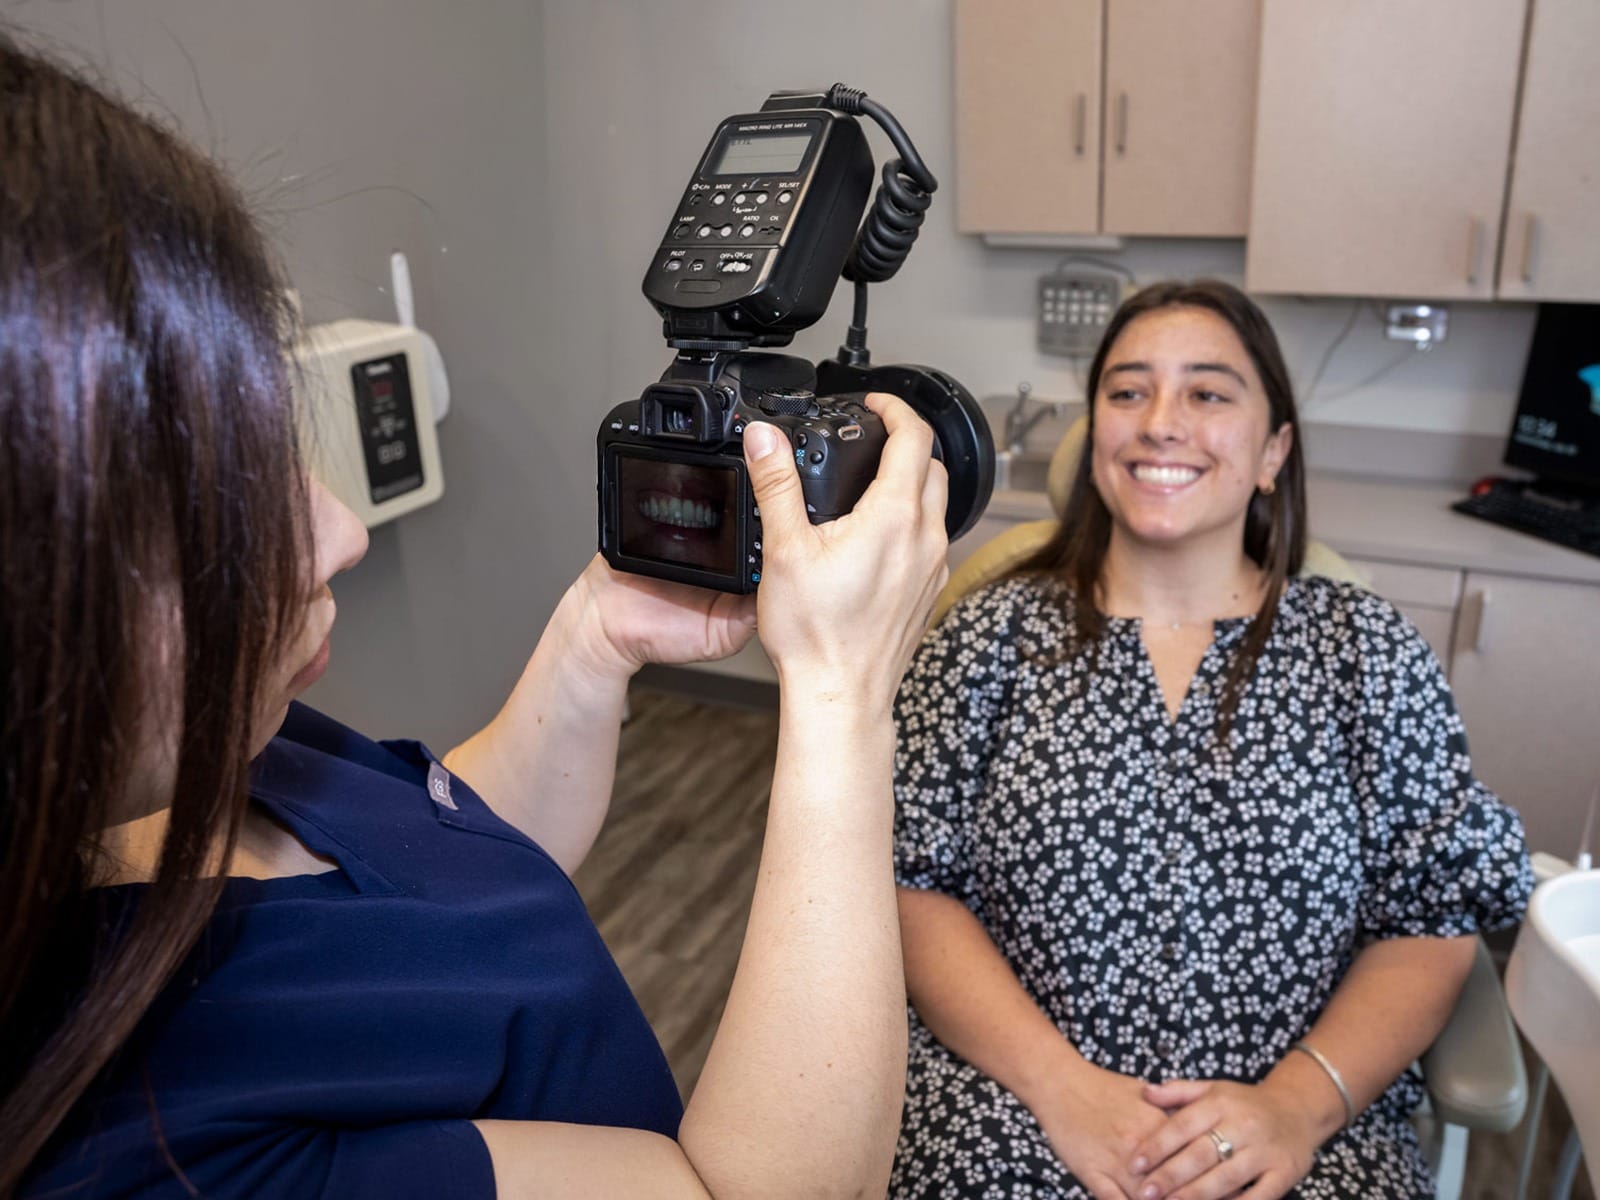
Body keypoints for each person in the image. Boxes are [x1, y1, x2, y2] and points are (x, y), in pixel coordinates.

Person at [0, 36, 952, 1198]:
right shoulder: (146, 1154)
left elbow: (448, 871)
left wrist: (595, 640)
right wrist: (844, 700)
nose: (340, 533)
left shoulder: (211, 744)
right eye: (214, 508)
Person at [889, 280, 1533, 1200]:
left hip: (1301, 1130)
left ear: (1273, 450)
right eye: (1127, 390)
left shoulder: (1365, 654)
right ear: (1097, 432)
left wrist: (1298, 1107)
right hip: (1016, 1101)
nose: (1160, 422)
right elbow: (911, 883)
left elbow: (1431, 916)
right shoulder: (989, 639)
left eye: (1208, 392)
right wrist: (1062, 1088)